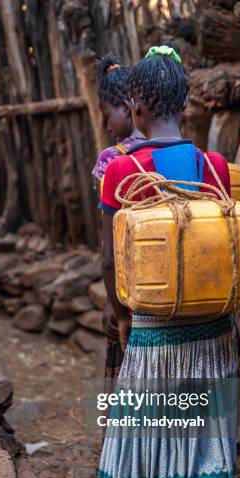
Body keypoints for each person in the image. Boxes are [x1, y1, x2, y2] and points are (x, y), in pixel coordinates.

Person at [97, 43, 239, 478]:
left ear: (134, 103)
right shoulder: (215, 168)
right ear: (184, 102)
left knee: (159, 428)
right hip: (213, 329)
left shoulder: (124, 171)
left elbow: (113, 256)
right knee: (213, 435)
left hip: (157, 331)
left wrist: (118, 309)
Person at [92, 54, 146, 381]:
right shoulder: (169, 150)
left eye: (106, 114)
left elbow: (107, 248)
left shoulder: (111, 160)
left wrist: (113, 302)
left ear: (126, 107)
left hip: (127, 294)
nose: (105, 124)